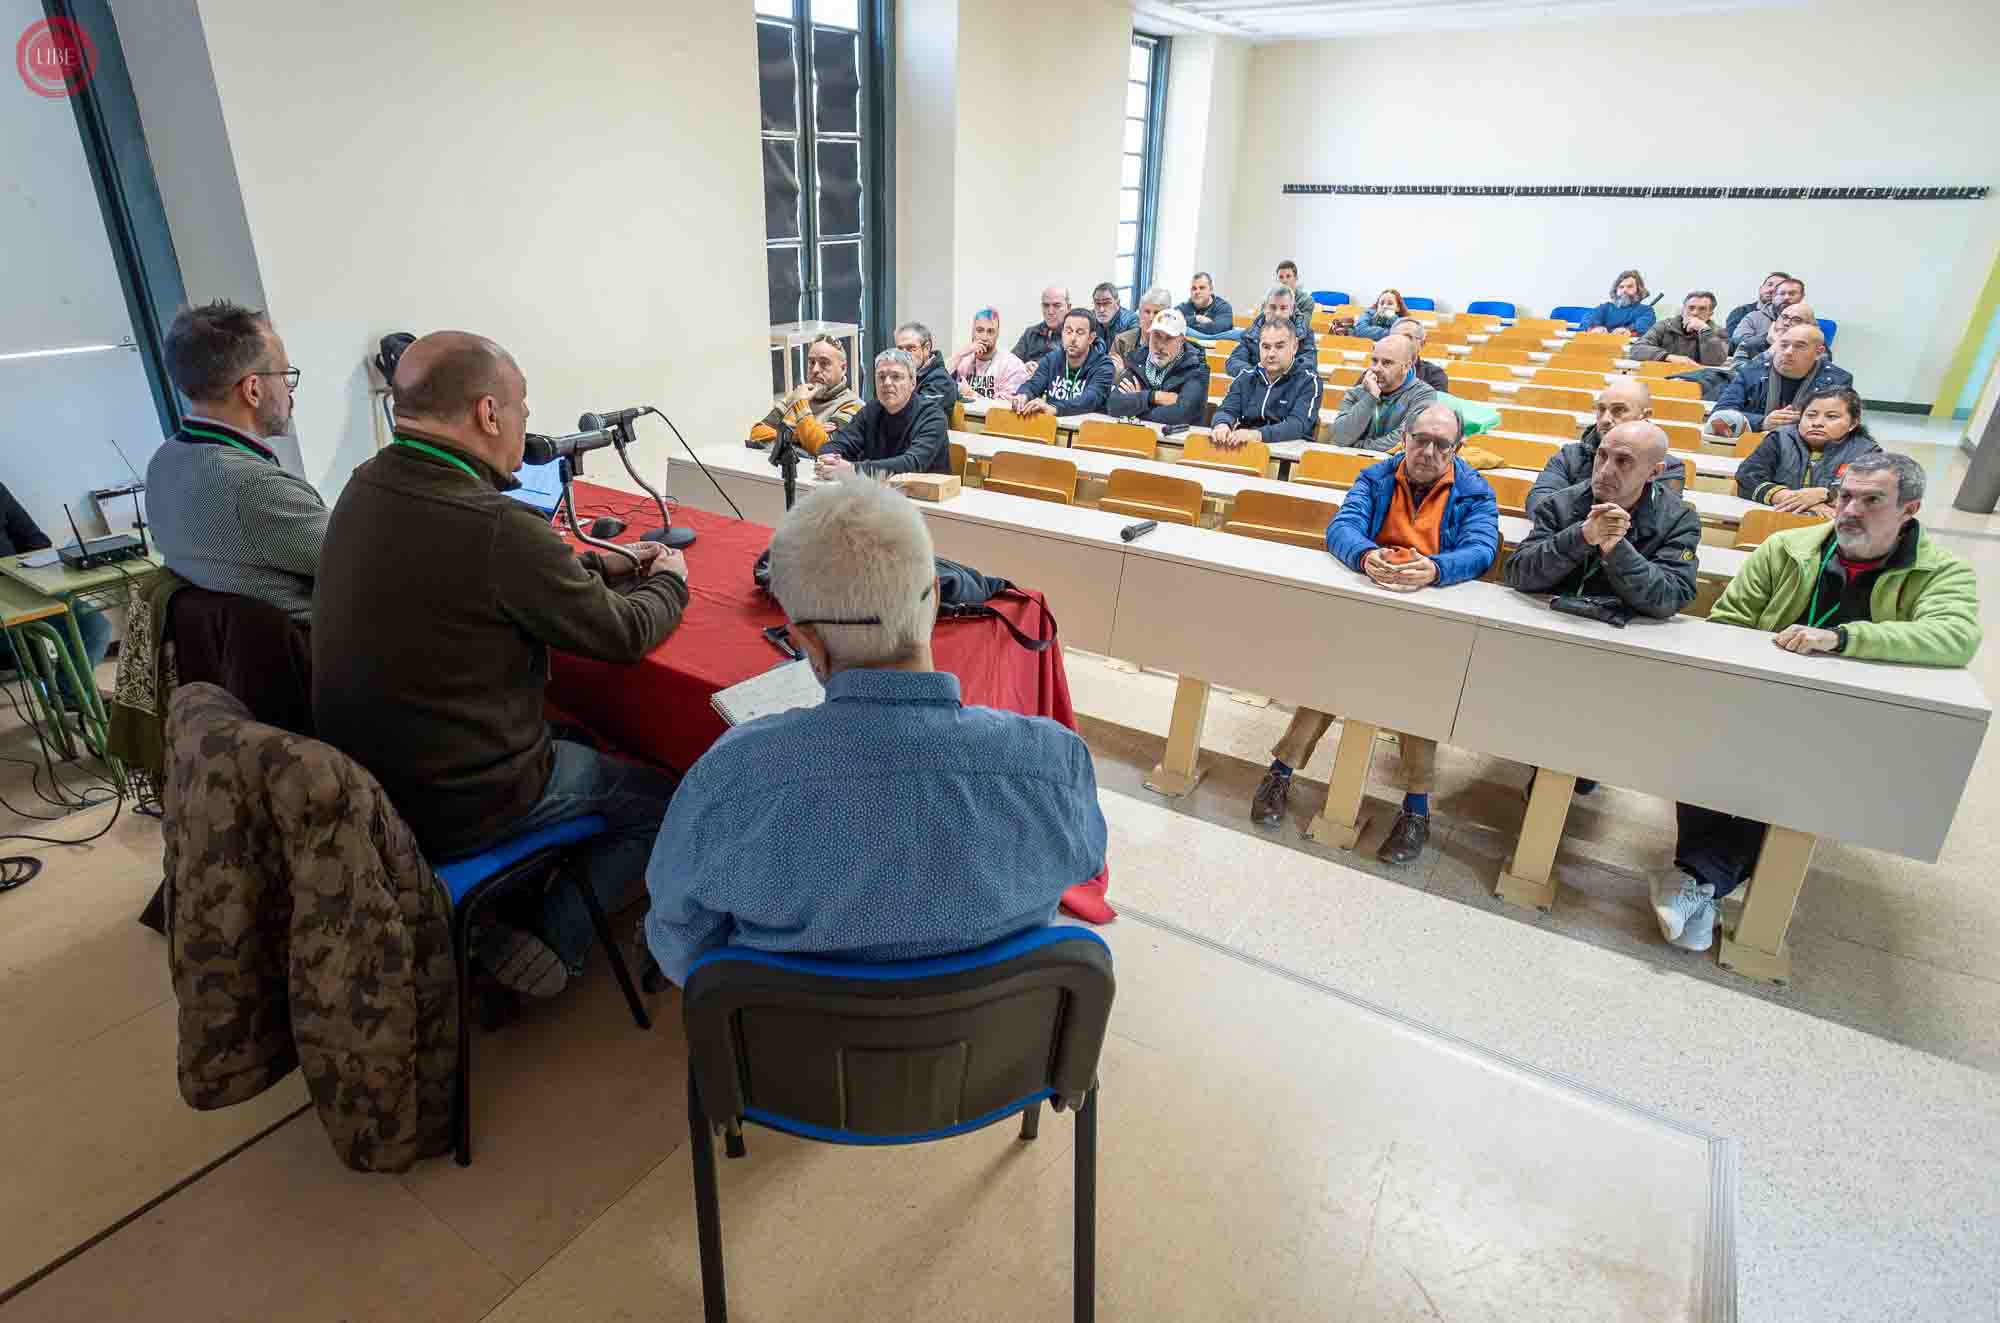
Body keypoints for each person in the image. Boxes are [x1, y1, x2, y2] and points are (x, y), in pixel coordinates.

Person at [313, 331, 688, 998]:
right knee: (665, 800)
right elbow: (624, 632)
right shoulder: (496, 525)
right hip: (469, 798)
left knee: (578, 736)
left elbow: (472, 578)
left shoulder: (364, 486)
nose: (524, 421)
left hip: (376, 786)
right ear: (489, 413)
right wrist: (670, 580)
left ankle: (506, 905)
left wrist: (597, 563)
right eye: (521, 407)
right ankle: (551, 938)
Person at [643, 476, 1107, 984]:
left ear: (807, 643)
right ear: (934, 598)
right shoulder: (1053, 763)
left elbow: (680, 949)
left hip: (796, 1037)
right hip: (998, 1032)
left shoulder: (728, 779)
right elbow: (1083, 865)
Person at [1654, 452, 1981, 952]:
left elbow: (1955, 636)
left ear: (1909, 509)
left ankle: (1696, 880)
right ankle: (1703, 886)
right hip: (1763, 700)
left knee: (1796, 777)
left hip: (1855, 721)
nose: (1851, 510)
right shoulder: (1786, 548)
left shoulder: (1940, 572)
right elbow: (1729, 621)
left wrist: (1843, 638)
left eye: (1872, 501)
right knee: (1707, 747)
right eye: (1845, 496)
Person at [1252, 404, 1499, 865]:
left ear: (1457, 449)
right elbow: (1342, 527)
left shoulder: (1475, 492)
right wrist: (1366, 556)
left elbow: (1482, 549)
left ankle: (1416, 809)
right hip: (1370, 599)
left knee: (1416, 702)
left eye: (1441, 444)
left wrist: (1436, 568)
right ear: (1404, 437)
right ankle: (1281, 771)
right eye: (1420, 440)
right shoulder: (1376, 476)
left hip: (1428, 613)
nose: (1428, 452)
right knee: (1329, 682)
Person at [146, 300, 327, 620]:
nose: (289, 391)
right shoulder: (256, 488)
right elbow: (366, 565)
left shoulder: (165, 461)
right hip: (317, 644)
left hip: (230, 646)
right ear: (253, 389)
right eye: (284, 375)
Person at [1504, 421, 1701, 619]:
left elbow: (1670, 598)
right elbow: (1518, 574)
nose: (1605, 470)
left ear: (1654, 472)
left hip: (1624, 632)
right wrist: (1581, 537)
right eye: (1602, 455)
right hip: (1549, 619)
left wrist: (1617, 550)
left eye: (1623, 461)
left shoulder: (1679, 521)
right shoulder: (1560, 503)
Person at [0, 481, 112, 703]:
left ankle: (71, 695)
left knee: (94, 625)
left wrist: (27, 568)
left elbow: (35, 540)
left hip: (19, 586)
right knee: (22, 648)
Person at [1527, 378, 1688, 516]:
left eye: (1619, 410)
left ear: (1644, 416)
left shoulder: (1667, 467)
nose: (1605, 419)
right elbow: (1539, 504)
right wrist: (1586, 532)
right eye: (1601, 409)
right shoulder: (1569, 455)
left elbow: (1661, 521)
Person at [1735, 387, 1881, 513]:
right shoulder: (1780, 439)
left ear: (1853, 424)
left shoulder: (1867, 452)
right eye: (1811, 415)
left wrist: (1827, 495)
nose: (1817, 423)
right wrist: (1796, 500)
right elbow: (1747, 477)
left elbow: (1870, 494)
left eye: (1831, 417)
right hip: (1776, 517)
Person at [816, 349, 952, 477]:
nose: (887, 383)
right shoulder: (871, 410)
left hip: (923, 492)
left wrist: (853, 469)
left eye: (896, 377)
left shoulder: (932, 417)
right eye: (881, 377)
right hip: (877, 489)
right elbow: (840, 443)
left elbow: (912, 464)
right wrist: (828, 459)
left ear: (913, 382)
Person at [1709, 324, 1851, 436]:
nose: (1788, 352)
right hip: (1751, 444)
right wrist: (1762, 422)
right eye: (1783, 345)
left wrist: (1802, 423)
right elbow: (1721, 414)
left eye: (1799, 346)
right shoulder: (1751, 371)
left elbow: (1841, 424)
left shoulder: (1837, 380)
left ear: (1818, 353)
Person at [1210, 319, 1324, 448]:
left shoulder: (1309, 381)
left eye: (1279, 347)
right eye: (1266, 347)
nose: (1271, 354)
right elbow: (1226, 410)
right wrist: (1222, 424)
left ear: (1294, 347)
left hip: (1286, 452)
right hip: (1244, 448)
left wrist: (1258, 435)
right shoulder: (1245, 377)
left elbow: (1298, 425)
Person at [749, 334, 862, 450]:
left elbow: (823, 447)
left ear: (843, 368)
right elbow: (756, 433)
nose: (815, 370)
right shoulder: (797, 396)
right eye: (812, 362)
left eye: (824, 363)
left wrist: (801, 404)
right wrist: (796, 436)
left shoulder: (854, 406)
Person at [1328, 334, 1438, 449]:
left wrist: (1357, 446)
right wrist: (1371, 396)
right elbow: (1340, 438)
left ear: (1406, 367)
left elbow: (1404, 439)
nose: (1376, 368)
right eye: (1374, 361)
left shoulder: (1423, 395)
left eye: (1387, 363)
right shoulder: (1356, 392)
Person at [1108, 308, 1208, 427]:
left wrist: (1136, 403)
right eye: (1156, 336)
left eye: (1169, 338)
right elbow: (1113, 405)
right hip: (1137, 433)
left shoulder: (1197, 368)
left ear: (1181, 341)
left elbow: (1182, 415)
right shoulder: (1138, 359)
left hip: (1177, 437)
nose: (1160, 345)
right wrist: (1154, 396)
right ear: (1149, 335)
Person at [1010, 308, 1116, 418]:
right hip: (1054, 424)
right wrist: (1023, 395)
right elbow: (1034, 384)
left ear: (1091, 338)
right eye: (1068, 331)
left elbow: (1091, 399)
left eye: (1080, 333)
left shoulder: (1104, 365)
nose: (1073, 338)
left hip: (1087, 425)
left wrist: (1055, 408)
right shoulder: (1052, 359)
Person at [1225, 285, 1317, 374]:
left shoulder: (1304, 335)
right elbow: (1234, 362)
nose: (1277, 313)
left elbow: (1308, 365)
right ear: (1265, 308)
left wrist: (1277, 374)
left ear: (1292, 310)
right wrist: (1259, 375)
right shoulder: (1251, 334)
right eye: (1273, 307)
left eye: (1283, 308)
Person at [947, 307, 1031, 402]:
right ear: (972, 332)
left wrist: (972, 394)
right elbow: (938, 382)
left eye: (990, 331)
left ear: (997, 334)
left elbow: (1007, 405)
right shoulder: (963, 360)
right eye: (979, 330)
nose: (984, 337)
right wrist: (960, 354)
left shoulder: (1012, 365)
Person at [1627, 291, 1728, 366]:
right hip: (1664, 376)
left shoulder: (1719, 332)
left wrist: (1705, 331)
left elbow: (1715, 362)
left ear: (1710, 314)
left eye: (1702, 309)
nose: (1695, 313)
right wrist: (1667, 357)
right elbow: (1636, 349)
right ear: (1683, 310)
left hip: (1697, 381)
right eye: (1691, 308)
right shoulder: (1664, 326)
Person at [1730, 275, 1806, 355]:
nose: (1786, 297)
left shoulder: (1807, 319)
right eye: (1782, 293)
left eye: (1792, 294)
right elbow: (1737, 341)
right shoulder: (1754, 317)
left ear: (1802, 297)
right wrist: (1767, 341)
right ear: (1774, 296)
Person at [893, 321, 957, 413]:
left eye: (911, 348)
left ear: (927, 348)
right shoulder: (904, 375)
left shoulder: (941, 381)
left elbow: (918, 414)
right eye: (899, 349)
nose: (903, 355)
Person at [1110, 286, 1173, 372]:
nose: (1151, 318)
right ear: (1139, 314)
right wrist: (1120, 373)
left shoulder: (1173, 345)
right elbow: (1108, 372)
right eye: (1147, 312)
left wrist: (1124, 372)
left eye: (1156, 312)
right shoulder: (1121, 341)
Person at [1576, 270, 1657, 334]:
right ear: (1615, 290)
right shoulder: (1605, 307)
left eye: (1630, 286)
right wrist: (1595, 328)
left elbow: (1644, 325)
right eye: (1621, 287)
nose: (1624, 290)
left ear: (1638, 290)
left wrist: (1628, 330)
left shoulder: (1646, 310)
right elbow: (1588, 319)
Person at [1724, 271, 1789, 342]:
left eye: (1778, 287)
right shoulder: (1742, 312)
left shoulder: (1791, 315)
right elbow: (1734, 343)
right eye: (1769, 285)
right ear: (1761, 288)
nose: (1772, 289)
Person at [1013, 287, 1069, 363]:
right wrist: (1024, 367)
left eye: (1057, 306)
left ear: (1068, 307)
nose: (1050, 312)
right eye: (1046, 305)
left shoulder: (1074, 335)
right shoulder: (1031, 333)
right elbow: (1011, 363)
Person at [1393, 318, 1450, 393]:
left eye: (1408, 337)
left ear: (1422, 344)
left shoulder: (1434, 375)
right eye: (1395, 337)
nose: (1401, 342)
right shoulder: (1379, 369)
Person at [1178, 271, 1234, 337]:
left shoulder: (1223, 307)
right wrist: (1196, 319)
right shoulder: (1186, 306)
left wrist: (1184, 324)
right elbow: (1169, 321)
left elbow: (1216, 330)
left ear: (1211, 290)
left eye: (1202, 288)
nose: (1197, 292)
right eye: (1194, 288)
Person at [1091, 282, 1137, 349]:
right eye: (1097, 303)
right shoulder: (1089, 319)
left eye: (1107, 303)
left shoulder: (1131, 320)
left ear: (1118, 303)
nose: (1101, 310)